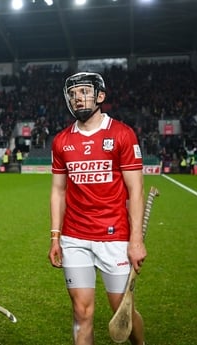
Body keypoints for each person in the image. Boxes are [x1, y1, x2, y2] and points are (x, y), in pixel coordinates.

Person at [47, 72, 146, 345]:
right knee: (81, 311)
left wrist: (135, 240)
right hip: (74, 238)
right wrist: (55, 236)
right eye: (72, 94)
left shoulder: (122, 134)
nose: (78, 98)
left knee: (121, 308)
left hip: (114, 237)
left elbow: (135, 189)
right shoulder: (61, 141)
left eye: (84, 92)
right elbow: (58, 191)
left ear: (100, 96)